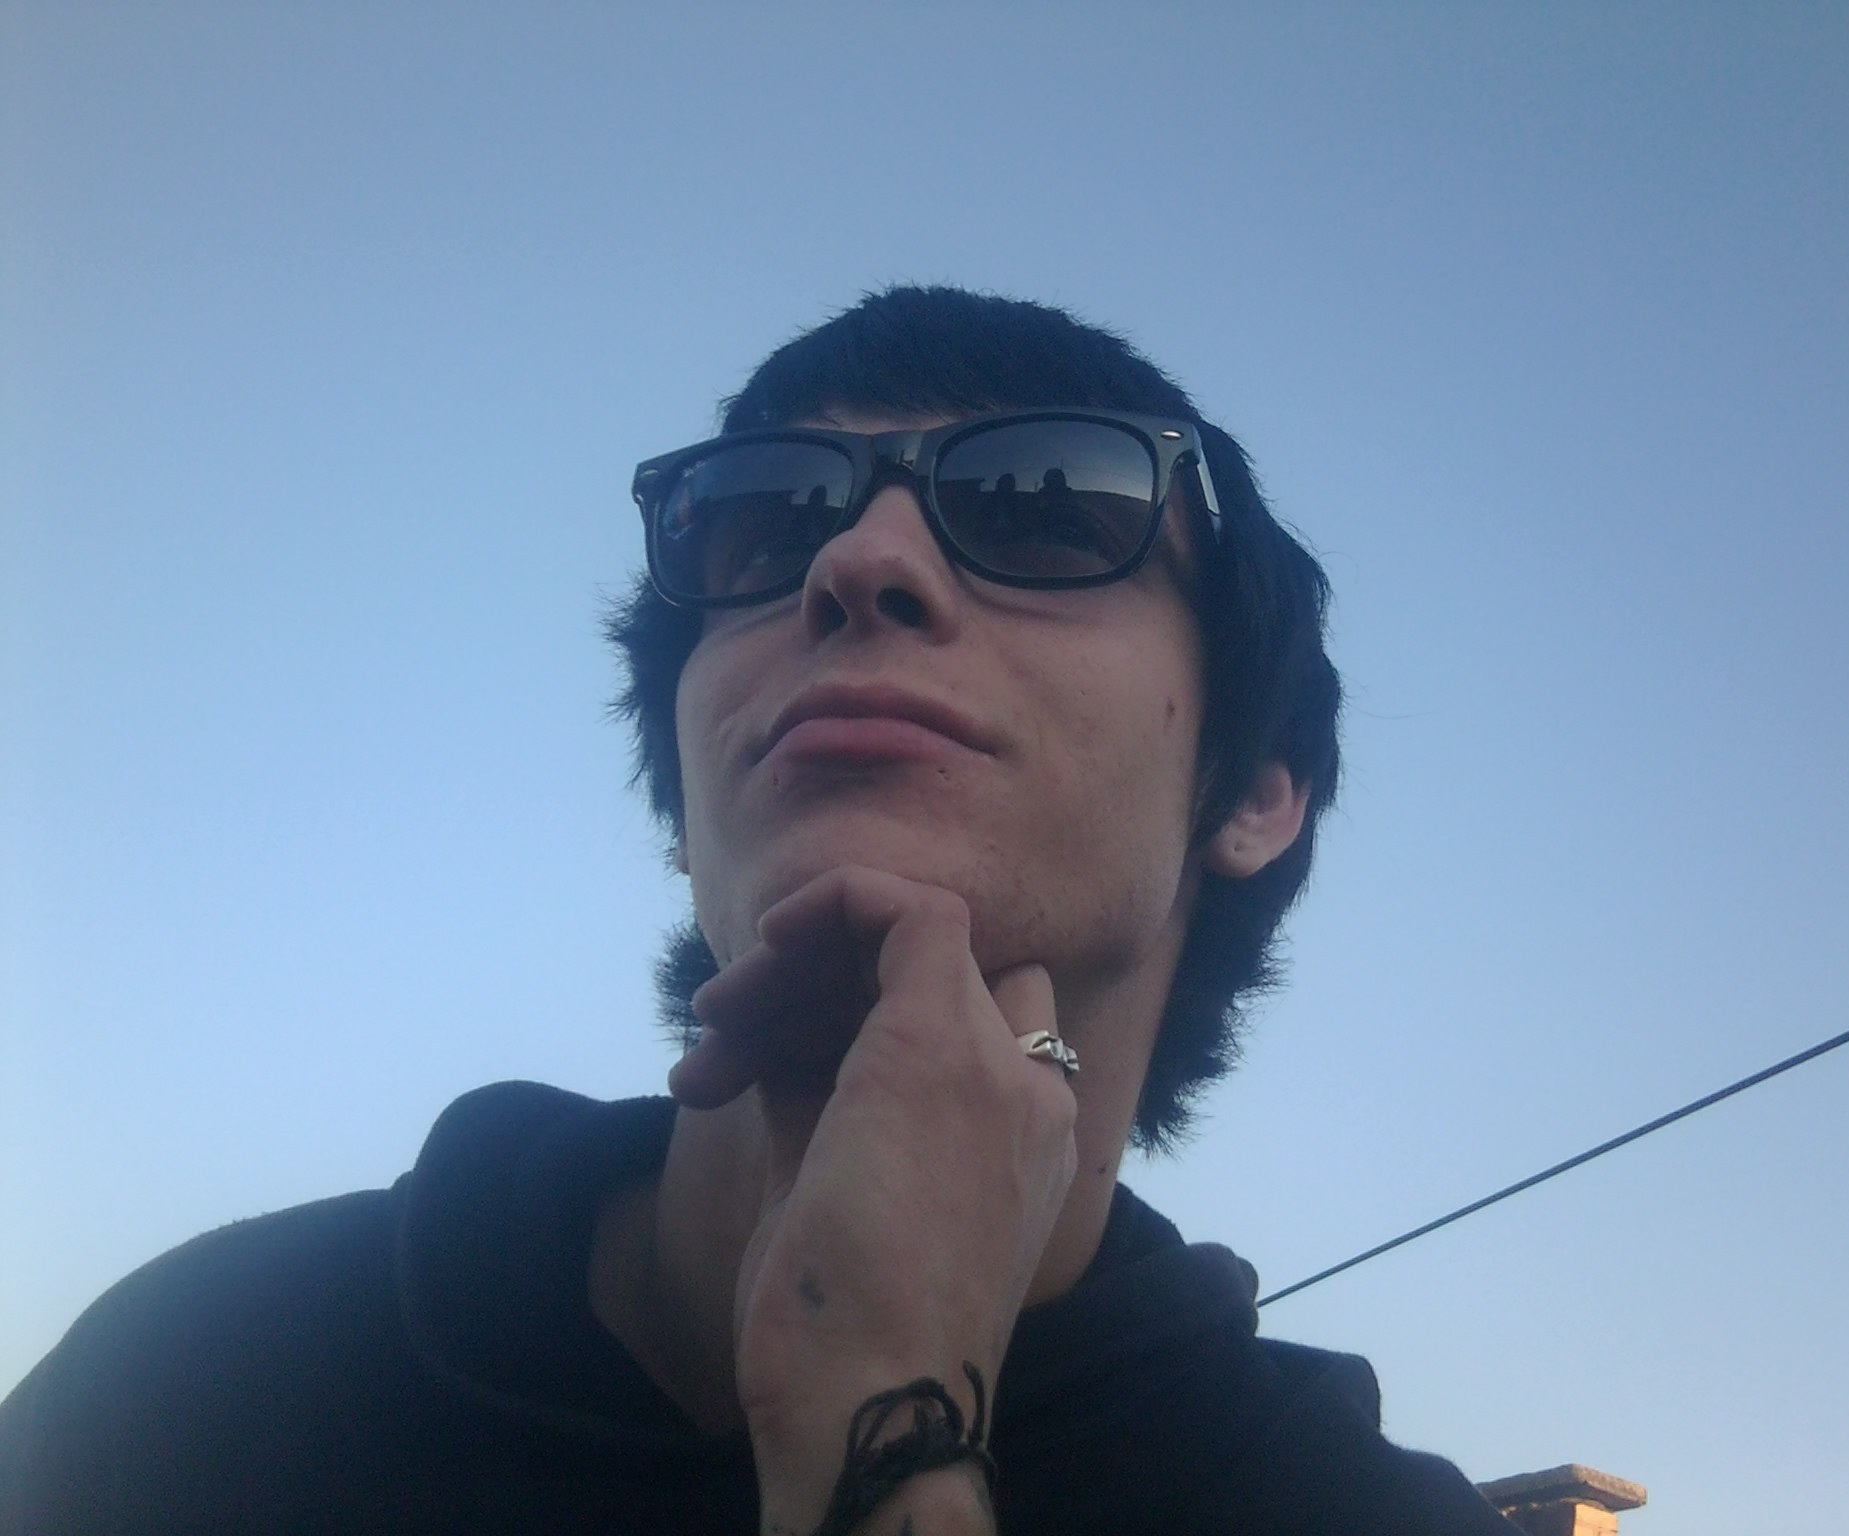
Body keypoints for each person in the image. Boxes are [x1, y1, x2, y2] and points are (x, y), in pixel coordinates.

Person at [1, 287, 1515, 1535]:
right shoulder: (189, 1385)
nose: (857, 561)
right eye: (766, 524)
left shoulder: (1345, 1512)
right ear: (684, 807)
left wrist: (885, 1413)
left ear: (1256, 791)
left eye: (1047, 509)